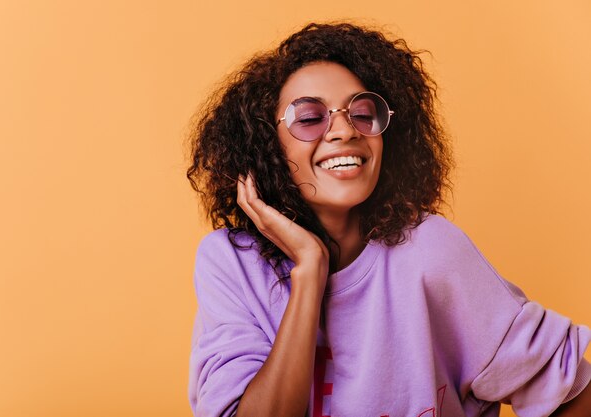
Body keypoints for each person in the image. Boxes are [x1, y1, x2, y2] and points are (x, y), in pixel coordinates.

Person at [186, 22, 591, 417]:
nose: (345, 130)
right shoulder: (231, 262)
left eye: (363, 113)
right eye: (310, 118)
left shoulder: (431, 250)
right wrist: (310, 271)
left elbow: (574, 393)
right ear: (264, 144)